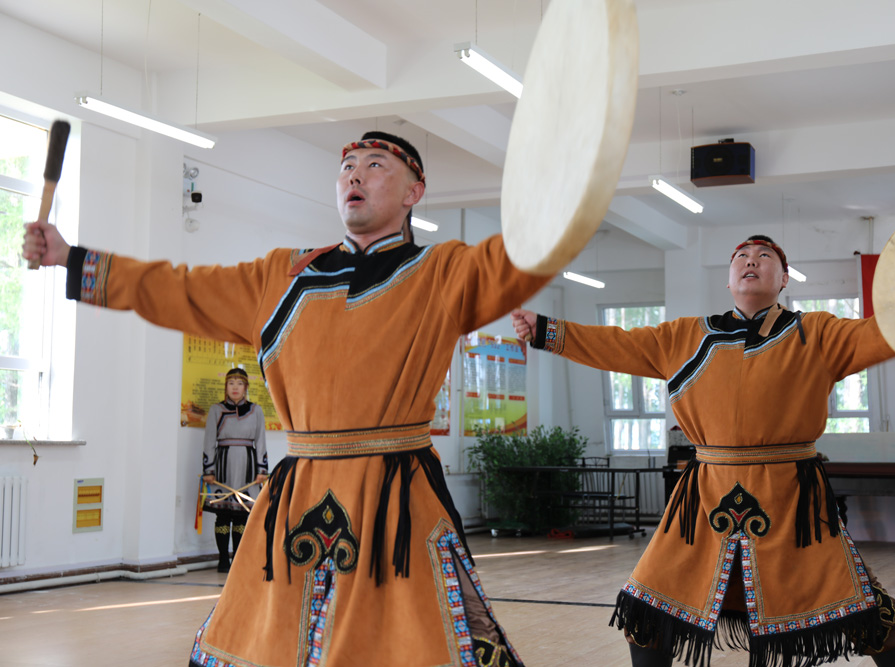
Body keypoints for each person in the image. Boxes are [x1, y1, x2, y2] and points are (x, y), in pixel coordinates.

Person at [23, 131, 552, 667]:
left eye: (374, 165)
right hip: (296, 501)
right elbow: (179, 289)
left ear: (414, 192)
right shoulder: (283, 274)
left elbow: (519, 260)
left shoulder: (443, 272)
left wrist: (568, 186)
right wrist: (72, 258)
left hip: (395, 499)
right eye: (346, 166)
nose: (354, 174)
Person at [510, 236, 895, 667]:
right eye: (741, 258)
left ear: (784, 279)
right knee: (646, 615)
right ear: (729, 281)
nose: (751, 262)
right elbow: (617, 344)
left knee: (877, 618)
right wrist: (546, 331)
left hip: (792, 503)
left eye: (765, 257)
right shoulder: (684, 336)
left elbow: (881, 333)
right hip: (704, 501)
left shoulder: (816, 332)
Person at [201, 367, 268, 573]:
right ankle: (223, 559)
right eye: (231, 384)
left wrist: (262, 469)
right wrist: (209, 469)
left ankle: (237, 559)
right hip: (223, 464)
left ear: (246, 387)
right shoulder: (216, 410)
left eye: (240, 384)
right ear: (226, 387)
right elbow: (209, 441)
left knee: (241, 514)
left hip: (248, 465)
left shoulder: (256, 410)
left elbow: (261, 442)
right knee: (223, 515)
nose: (235, 388)